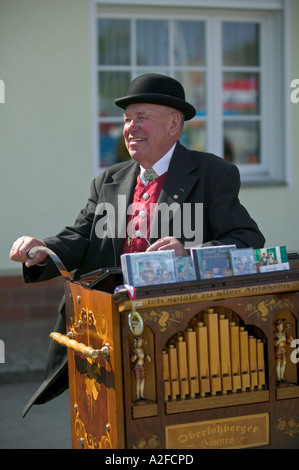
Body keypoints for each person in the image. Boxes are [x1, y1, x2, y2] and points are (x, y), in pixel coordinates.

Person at [10, 73, 265, 415]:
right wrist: (44, 248)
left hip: (178, 333)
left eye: (142, 117)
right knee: (112, 421)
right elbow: (83, 235)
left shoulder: (213, 174)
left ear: (175, 124)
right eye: (127, 119)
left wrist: (189, 254)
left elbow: (247, 241)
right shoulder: (108, 180)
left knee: (160, 421)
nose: (131, 127)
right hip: (108, 332)